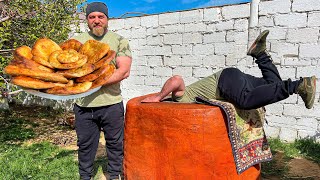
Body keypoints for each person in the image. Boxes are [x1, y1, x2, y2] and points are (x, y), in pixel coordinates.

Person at [142, 30, 316, 110]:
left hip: (224, 81)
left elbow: (177, 79)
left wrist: (158, 97)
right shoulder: (184, 100)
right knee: (273, 84)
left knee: (246, 101)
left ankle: (299, 85)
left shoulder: (180, 98)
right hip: (234, 77)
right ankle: (260, 53)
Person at [71, 2, 132, 180]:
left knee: (115, 143)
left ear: (107, 19)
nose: (96, 21)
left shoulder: (119, 41)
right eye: (92, 17)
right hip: (83, 105)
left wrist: (90, 83)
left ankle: (114, 175)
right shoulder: (77, 42)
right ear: (87, 20)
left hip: (111, 104)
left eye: (100, 17)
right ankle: (85, 176)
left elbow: (124, 71)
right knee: (85, 144)